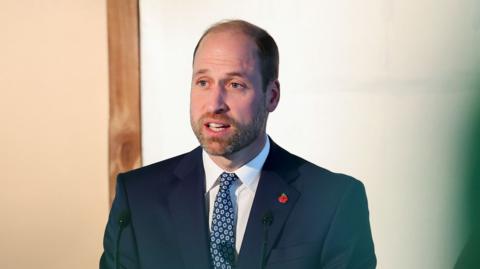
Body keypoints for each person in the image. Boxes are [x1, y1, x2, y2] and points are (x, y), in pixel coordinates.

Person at [100, 19, 376, 269]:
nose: (215, 103)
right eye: (203, 82)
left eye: (235, 84)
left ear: (272, 96)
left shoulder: (333, 201)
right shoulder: (137, 199)